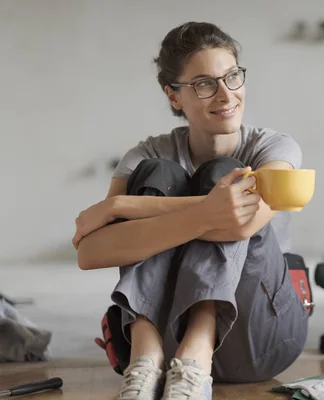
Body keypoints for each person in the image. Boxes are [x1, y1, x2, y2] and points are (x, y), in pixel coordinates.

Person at [72, 21, 310, 400]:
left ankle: (198, 355)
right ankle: (144, 356)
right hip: (168, 347)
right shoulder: (148, 154)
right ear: (173, 96)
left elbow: (240, 220)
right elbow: (90, 253)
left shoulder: (275, 149)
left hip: (260, 339)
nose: (225, 94)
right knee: (160, 174)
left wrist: (121, 206)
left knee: (224, 174)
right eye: (203, 83)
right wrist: (204, 211)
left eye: (232, 76)